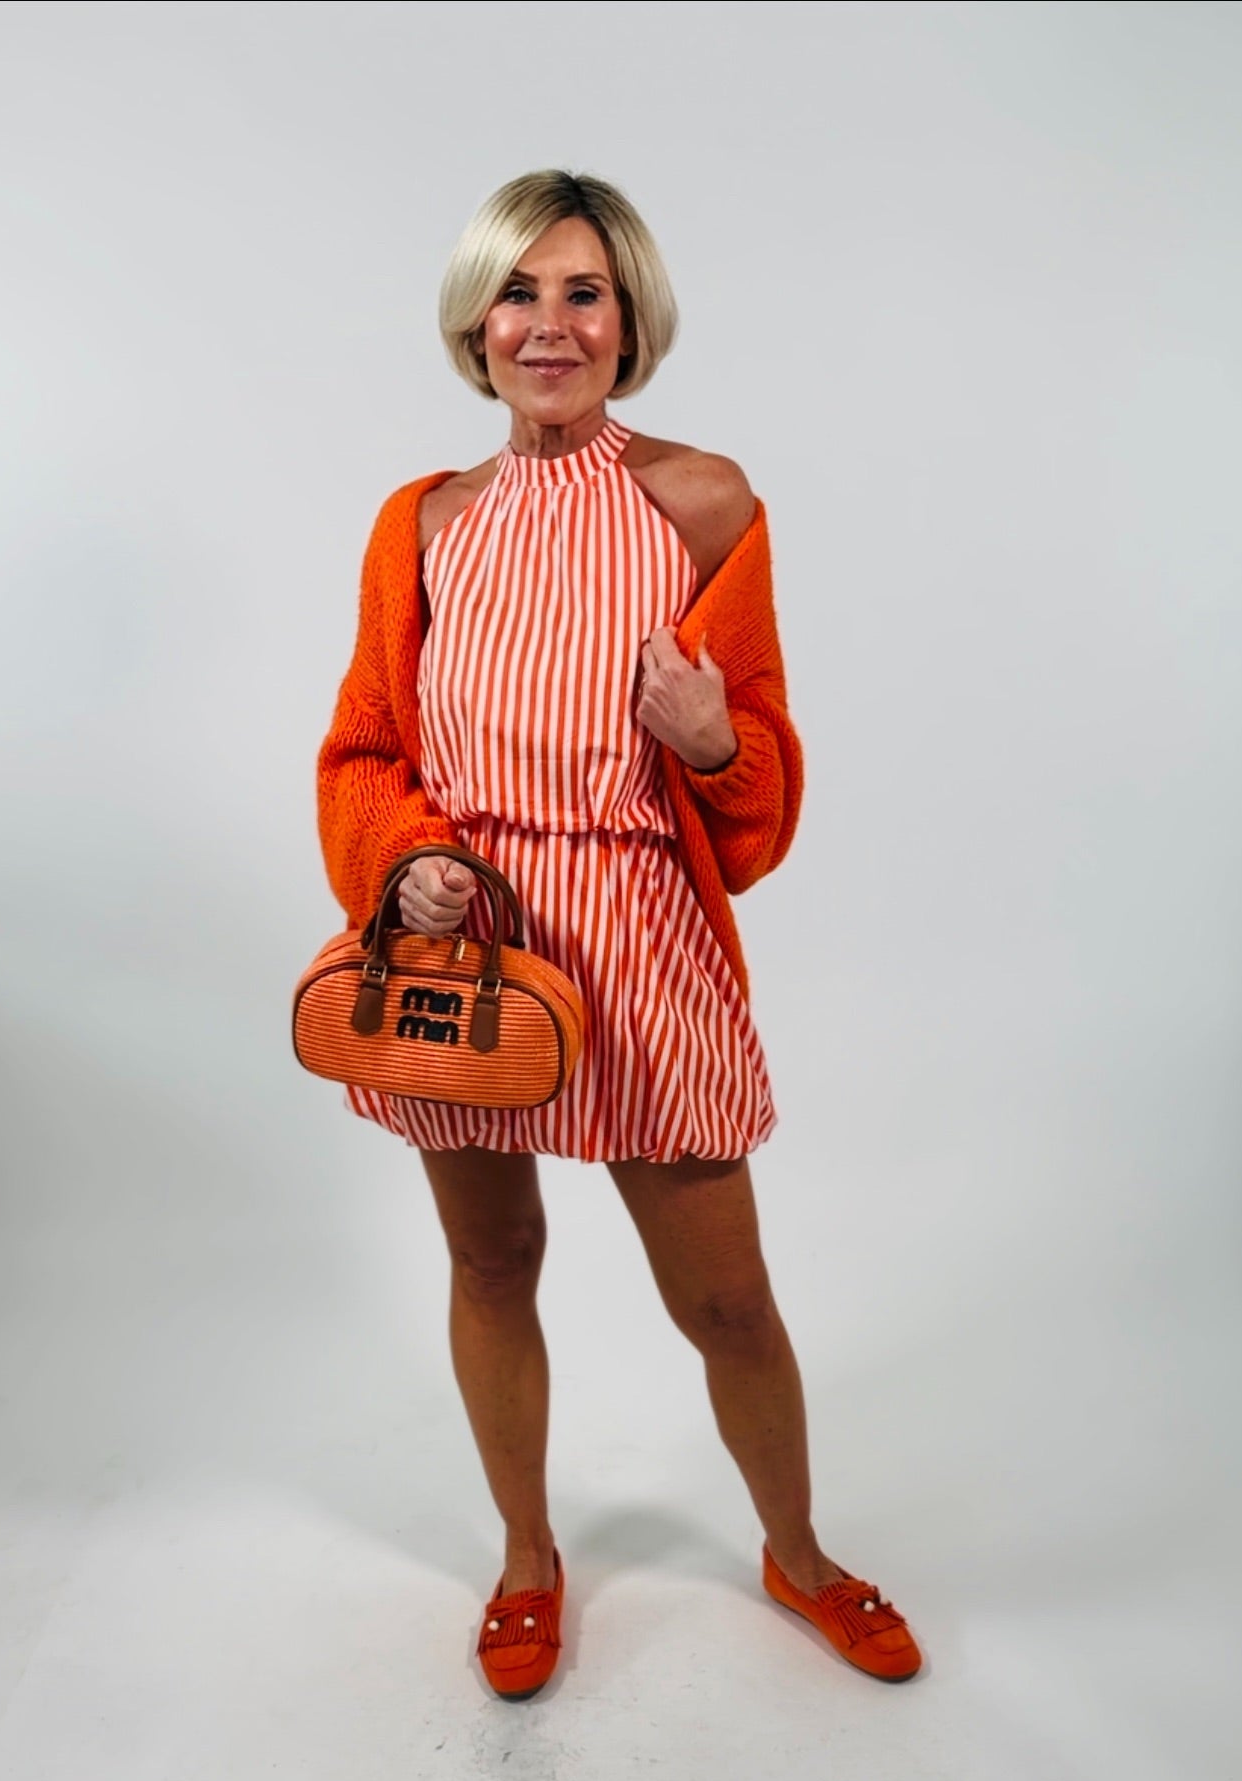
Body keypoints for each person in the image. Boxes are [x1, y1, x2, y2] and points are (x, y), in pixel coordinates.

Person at [316, 169, 922, 1698]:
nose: (549, 324)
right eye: (517, 292)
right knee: (492, 1259)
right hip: (470, 955)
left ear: (629, 316)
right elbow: (364, 753)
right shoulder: (421, 524)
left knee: (726, 1299)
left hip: (643, 946)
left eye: (582, 292)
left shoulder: (702, 501)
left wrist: (712, 740)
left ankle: (798, 1553)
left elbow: (757, 800)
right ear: (474, 320)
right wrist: (408, 864)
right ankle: (527, 1560)